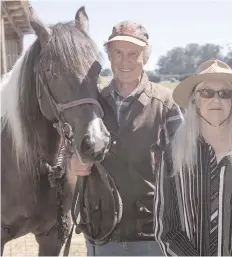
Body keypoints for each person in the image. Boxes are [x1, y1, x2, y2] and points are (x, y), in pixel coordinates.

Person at [70, 20, 183, 256]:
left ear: (146, 57)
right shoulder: (93, 104)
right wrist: (74, 158)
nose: (125, 61)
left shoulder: (166, 104)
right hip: (101, 232)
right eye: (117, 53)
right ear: (108, 57)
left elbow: (184, 165)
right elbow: (70, 145)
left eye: (133, 54)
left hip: (151, 234)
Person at [154, 59, 232, 256]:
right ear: (194, 100)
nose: (216, 100)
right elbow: (166, 228)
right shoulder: (173, 157)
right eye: (206, 92)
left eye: (225, 94)